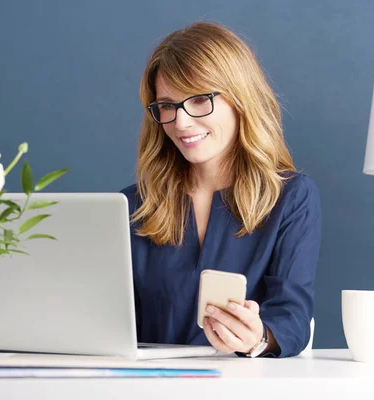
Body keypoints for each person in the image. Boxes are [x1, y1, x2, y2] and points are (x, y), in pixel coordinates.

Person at [120, 21, 322, 358]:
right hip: (146, 386)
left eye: (200, 100)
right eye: (167, 106)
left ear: (240, 99)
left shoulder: (290, 197)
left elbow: (293, 317)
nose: (181, 122)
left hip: (240, 385)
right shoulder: (132, 206)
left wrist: (259, 337)